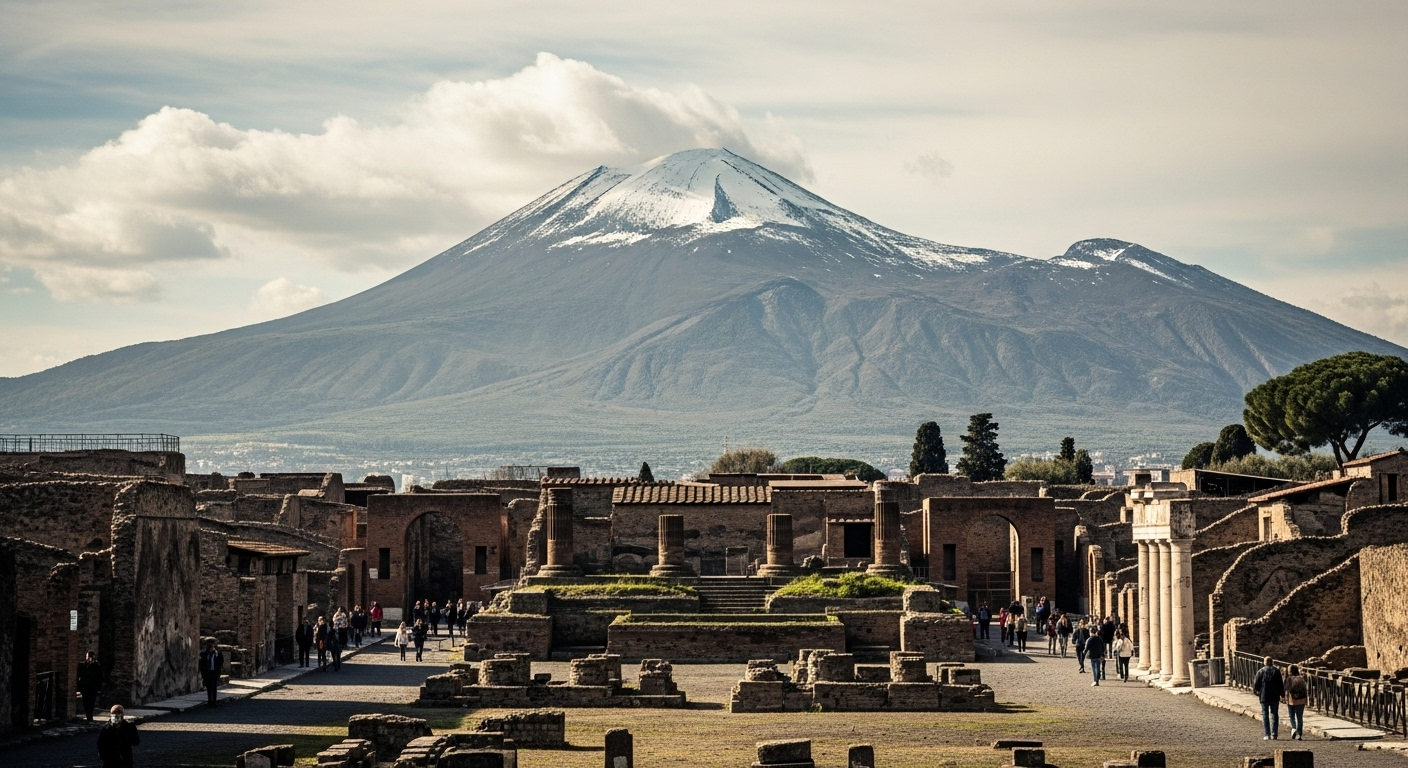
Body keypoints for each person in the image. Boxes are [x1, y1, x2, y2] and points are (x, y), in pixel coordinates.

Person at [1252, 656, 1284, 740]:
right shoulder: (1277, 671)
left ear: (1264, 662)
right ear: (1272, 662)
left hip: (1264, 696)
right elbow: (1280, 684)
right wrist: (1282, 694)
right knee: (1274, 714)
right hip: (1274, 696)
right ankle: (1274, 733)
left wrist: (1258, 691)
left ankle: (1267, 734)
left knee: (1265, 715)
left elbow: (1256, 684)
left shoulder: (1261, 671)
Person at [77, 650, 103, 721]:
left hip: (93, 687)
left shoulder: (97, 665)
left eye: (91, 657)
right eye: (88, 657)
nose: (89, 658)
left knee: (91, 702)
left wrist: (99, 688)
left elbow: (100, 677)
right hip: (84, 687)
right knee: (85, 702)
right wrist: (78, 687)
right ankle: (87, 715)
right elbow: (78, 676)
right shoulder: (82, 665)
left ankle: (90, 716)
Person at [1285, 664, 1308, 740]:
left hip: (1292, 700)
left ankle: (1294, 728)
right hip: (1301, 700)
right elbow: (1305, 689)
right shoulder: (1301, 679)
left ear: (1290, 671)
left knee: (1292, 716)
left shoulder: (1289, 679)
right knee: (1299, 717)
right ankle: (1299, 733)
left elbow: (1287, 689)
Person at [199, 639, 223, 707]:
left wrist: (218, 668)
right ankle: (209, 701)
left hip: (214, 672)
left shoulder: (217, 653)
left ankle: (214, 701)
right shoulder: (205, 654)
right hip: (207, 672)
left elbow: (221, 661)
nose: (211, 647)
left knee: (214, 687)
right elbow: (202, 662)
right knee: (209, 687)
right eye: (210, 646)